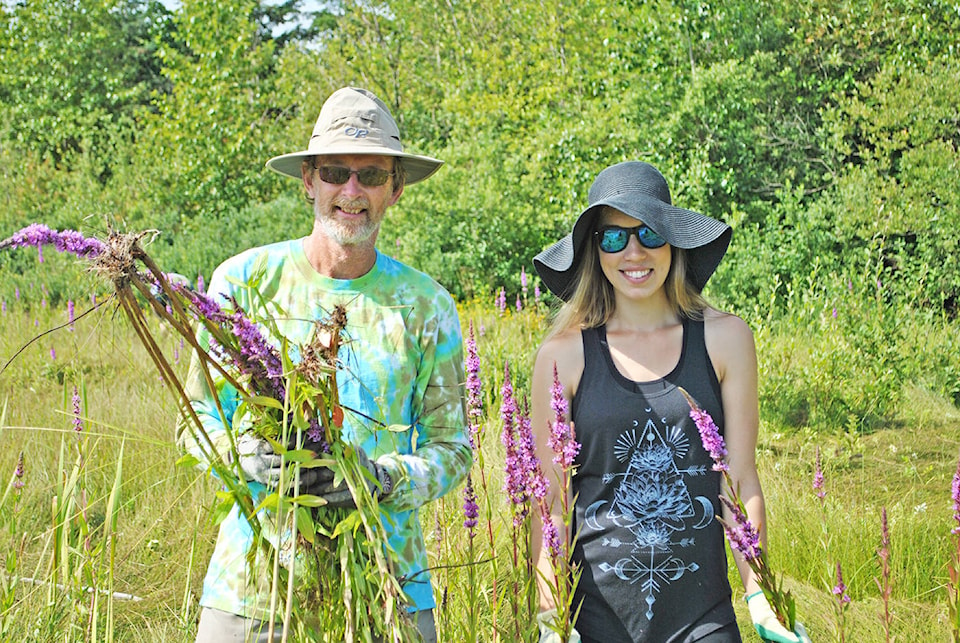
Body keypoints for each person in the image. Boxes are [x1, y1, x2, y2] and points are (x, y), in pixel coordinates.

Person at [178, 86, 472, 642]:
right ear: (309, 180)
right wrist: (245, 457)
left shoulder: (427, 304)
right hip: (255, 589)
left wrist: (384, 478)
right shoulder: (242, 283)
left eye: (372, 175)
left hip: (389, 592)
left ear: (396, 188)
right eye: (336, 171)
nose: (352, 190)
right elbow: (196, 420)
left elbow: (453, 448)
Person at [529, 161, 810, 642]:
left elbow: (739, 477)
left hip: (703, 618)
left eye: (649, 233)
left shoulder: (725, 339)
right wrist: (551, 617)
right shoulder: (562, 356)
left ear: (673, 241)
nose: (633, 252)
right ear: (595, 251)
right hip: (595, 620)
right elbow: (551, 502)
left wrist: (761, 595)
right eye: (613, 238)